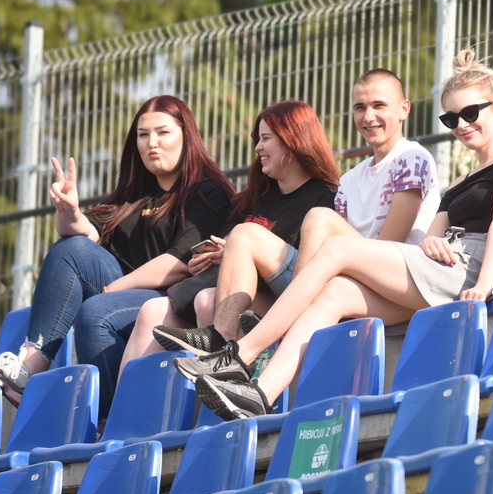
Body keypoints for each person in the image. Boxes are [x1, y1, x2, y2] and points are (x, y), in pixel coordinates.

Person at [177, 50, 493, 419]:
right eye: (451, 118)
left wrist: (487, 283)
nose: (461, 125)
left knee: (336, 248)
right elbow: (433, 233)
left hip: (474, 267)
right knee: (335, 293)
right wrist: (434, 239)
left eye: (470, 113)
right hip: (439, 265)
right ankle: (260, 394)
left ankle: (241, 354)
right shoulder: (463, 178)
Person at [0, 95, 234, 417]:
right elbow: (87, 235)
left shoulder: (208, 192)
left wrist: (112, 289)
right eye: (143, 135)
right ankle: (28, 366)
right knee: (69, 249)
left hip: (172, 300)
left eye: (163, 132)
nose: (152, 143)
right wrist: (69, 211)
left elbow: (179, 263)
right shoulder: (133, 196)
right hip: (128, 293)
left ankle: (107, 420)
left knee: (95, 312)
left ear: (186, 136)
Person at [150, 68, 440, 353]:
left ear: (404, 109)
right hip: (340, 276)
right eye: (359, 107)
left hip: (393, 282)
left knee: (317, 219)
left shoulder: (411, 158)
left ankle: (285, 322)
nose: (368, 116)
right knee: (241, 237)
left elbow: (388, 247)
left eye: (379, 105)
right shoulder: (350, 179)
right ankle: (221, 338)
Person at [117, 99, 339, 368]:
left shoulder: (326, 197)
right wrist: (207, 259)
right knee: (153, 310)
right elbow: (223, 245)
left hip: (285, 295)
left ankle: (225, 363)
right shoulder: (253, 197)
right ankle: (126, 396)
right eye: (257, 139)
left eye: (266, 139)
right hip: (227, 289)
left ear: (293, 140)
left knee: (208, 299)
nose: (258, 147)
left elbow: (311, 267)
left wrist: (238, 250)